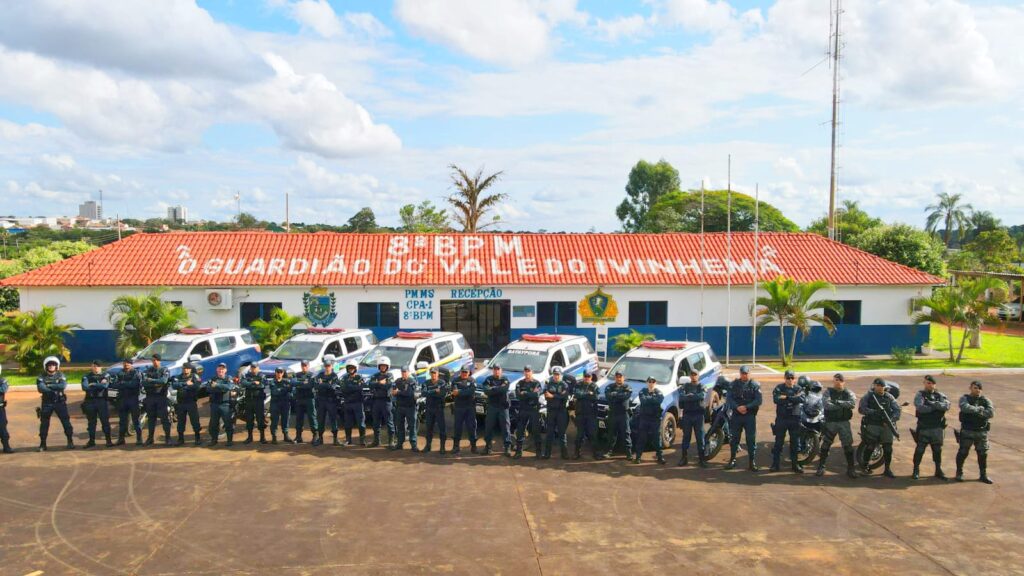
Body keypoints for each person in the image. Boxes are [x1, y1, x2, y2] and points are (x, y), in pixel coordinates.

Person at [858, 378, 901, 478]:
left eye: (882, 387)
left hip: (886, 426)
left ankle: (887, 469)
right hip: (873, 424)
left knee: (888, 448)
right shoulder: (868, 396)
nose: (880, 388)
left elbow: (897, 410)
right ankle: (865, 466)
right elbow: (862, 409)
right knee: (870, 446)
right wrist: (873, 412)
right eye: (878, 386)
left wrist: (891, 419)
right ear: (874, 386)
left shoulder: (889, 397)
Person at [817, 373, 858, 478]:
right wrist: (842, 405)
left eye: (839, 380)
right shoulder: (828, 392)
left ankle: (851, 469)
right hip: (831, 422)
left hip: (844, 423)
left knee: (848, 445)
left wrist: (837, 402)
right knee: (826, 444)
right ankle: (821, 467)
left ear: (843, 382)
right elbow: (826, 405)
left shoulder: (849, 392)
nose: (837, 382)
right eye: (835, 380)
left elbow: (852, 404)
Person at [956, 380, 994, 484]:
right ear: (970, 388)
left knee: (983, 454)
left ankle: (983, 474)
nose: (977, 390)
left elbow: (990, 413)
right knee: (963, 452)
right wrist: (979, 410)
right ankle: (959, 472)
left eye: (979, 388)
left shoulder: (986, 400)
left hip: (981, 431)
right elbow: (965, 407)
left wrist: (975, 411)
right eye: (975, 388)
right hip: (968, 430)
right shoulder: (965, 398)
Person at [912, 375, 950, 480]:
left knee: (937, 450)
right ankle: (916, 469)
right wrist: (936, 408)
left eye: (931, 383)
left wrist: (932, 404)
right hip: (924, 427)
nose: (929, 385)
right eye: (927, 383)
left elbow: (946, 406)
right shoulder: (920, 395)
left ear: (934, 384)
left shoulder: (940, 395)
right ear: (924, 383)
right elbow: (920, 408)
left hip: (937, 428)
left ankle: (938, 469)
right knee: (920, 450)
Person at [725, 365, 762, 471]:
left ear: (749, 373)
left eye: (746, 373)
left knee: (751, 439)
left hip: (749, 416)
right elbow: (729, 399)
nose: (744, 375)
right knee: (734, 438)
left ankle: (752, 462)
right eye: (742, 373)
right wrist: (737, 407)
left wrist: (746, 407)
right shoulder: (733, 384)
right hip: (737, 416)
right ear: (740, 373)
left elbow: (758, 400)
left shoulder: (754, 385)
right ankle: (732, 460)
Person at [770, 370, 806, 473]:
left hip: (795, 418)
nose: (790, 380)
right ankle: (775, 464)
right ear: (784, 378)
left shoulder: (799, 388)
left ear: (795, 379)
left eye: (792, 378)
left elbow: (801, 399)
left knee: (795, 443)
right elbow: (776, 399)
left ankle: (795, 465)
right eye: (788, 378)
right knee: (778, 443)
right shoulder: (779, 387)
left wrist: (786, 397)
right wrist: (793, 398)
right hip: (782, 418)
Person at [36, 356, 74, 451]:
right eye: (49, 364)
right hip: (47, 403)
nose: (51, 366)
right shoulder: (41, 376)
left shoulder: (61, 375)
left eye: (53, 364)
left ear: (57, 366)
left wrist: (49, 385)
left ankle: (70, 441)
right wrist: (55, 387)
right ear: (46, 366)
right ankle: (43, 444)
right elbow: (41, 388)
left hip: (60, 402)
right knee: (44, 424)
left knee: (66, 422)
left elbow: (62, 386)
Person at [676, 369, 707, 467]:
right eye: (692, 375)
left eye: (695, 375)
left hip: (698, 415)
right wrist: (693, 397)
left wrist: (689, 396)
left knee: (700, 438)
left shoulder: (701, 386)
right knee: (686, 437)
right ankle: (684, 458)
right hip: (687, 415)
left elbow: (701, 395)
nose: (693, 376)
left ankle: (702, 459)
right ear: (690, 376)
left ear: (698, 376)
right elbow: (681, 397)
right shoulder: (685, 386)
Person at [513, 366, 543, 460]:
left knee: (536, 431)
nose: (527, 373)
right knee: (520, 431)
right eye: (525, 371)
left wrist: (524, 393)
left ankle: (538, 452)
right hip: (523, 410)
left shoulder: (536, 383)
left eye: (529, 371)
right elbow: (518, 396)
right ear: (524, 373)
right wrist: (530, 393)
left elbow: (536, 395)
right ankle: (518, 452)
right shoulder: (520, 383)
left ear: (532, 372)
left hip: (533, 410)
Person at [140, 354, 172, 446]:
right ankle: (150, 438)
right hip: (150, 397)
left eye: (156, 360)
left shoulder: (164, 370)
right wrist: (155, 383)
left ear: (159, 361)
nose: (155, 362)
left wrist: (151, 380)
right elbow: (143, 382)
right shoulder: (148, 370)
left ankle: (168, 438)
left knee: (164, 419)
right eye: (153, 360)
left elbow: (163, 381)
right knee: (151, 419)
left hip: (161, 397)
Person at [81, 360, 113, 448]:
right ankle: (91, 441)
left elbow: (104, 386)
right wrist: (98, 384)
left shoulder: (105, 375)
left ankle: (108, 440)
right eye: (94, 366)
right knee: (91, 423)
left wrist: (92, 384)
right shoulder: (86, 376)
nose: (95, 368)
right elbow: (85, 387)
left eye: (97, 366)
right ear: (91, 367)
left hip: (102, 401)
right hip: (90, 401)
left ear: (101, 367)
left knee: (105, 422)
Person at [481, 365, 512, 457]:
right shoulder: (488, 379)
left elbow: (504, 389)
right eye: (495, 370)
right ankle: (488, 447)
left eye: (498, 370)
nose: (497, 371)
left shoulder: (505, 379)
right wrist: (497, 388)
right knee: (489, 427)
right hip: (492, 406)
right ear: (493, 371)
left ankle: (507, 447)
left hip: (503, 407)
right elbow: (486, 391)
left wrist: (493, 388)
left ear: (501, 370)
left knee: (505, 428)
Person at [634, 377, 666, 464]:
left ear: (655, 383)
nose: (651, 383)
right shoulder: (642, 391)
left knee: (656, 439)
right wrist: (652, 399)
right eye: (649, 381)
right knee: (641, 438)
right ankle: (638, 457)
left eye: (653, 382)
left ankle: (660, 457)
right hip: (644, 418)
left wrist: (649, 398)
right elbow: (643, 401)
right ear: (647, 382)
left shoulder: (659, 392)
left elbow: (659, 400)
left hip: (654, 419)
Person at [204, 362, 237, 446]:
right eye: (219, 369)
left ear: (225, 370)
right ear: (217, 370)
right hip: (214, 404)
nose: (221, 370)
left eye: (222, 369)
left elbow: (229, 387)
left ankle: (229, 441)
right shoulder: (213, 379)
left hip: (225, 405)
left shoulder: (228, 378)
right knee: (213, 424)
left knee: (228, 423)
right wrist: (221, 388)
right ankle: (214, 440)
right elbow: (208, 389)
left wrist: (217, 386)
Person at [170, 362, 203, 446]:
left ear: (190, 369)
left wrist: (183, 386)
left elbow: (197, 386)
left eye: (187, 368)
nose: (185, 370)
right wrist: (185, 384)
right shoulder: (178, 377)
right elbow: (174, 385)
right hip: (181, 403)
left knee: (195, 421)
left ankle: (197, 438)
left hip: (191, 402)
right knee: (180, 421)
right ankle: (180, 439)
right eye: (184, 368)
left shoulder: (194, 376)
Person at [602, 372, 633, 459]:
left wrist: (615, 395)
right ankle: (609, 452)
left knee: (626, 434)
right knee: (611, 434)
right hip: (613, 413)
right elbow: (608, 396)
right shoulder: (610, 387)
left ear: (624, 377)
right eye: (617, 377)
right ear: (615, 378)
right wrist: (619, 395)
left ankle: (629, 454)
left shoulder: (627, 387)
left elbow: (625, 396)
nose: (619, 378)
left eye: (620, 377)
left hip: (623, 414)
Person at [112, 359, 143, 446]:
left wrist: (122, 383)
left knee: (135, 420)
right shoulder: (119, 373)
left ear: (131, 364)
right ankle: (121, 439)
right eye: (125, 363)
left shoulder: (136, 373)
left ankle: (139, 439)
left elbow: (135, 384)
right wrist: (127, 384)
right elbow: (113, 384)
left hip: (133, 399)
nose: (126, 365)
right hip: (122, 399)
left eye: (128, 363)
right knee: (122, 421)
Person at [572, 371, 602, 460]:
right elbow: (577, 394)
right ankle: (577, 453)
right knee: (579, 435)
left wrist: (584, 395)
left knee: (592, 435)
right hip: (580, 414)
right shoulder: (578, 385)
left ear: (591, 377)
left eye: (588, 377)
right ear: (583, 376)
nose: (587, 378)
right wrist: (588, 394)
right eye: (585, 376)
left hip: (591, 415)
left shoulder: (594, 386)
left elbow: (596, 397)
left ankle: (596, 454)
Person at [449, 363, 478, 455]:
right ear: (460, 372)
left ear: (469, 372)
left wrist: (460, 392)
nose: (464, 374)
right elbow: (454, 392)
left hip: (470, 408)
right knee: (457, 427)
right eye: (463, 372)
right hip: (459, 407)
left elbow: (471, 391)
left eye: (466, 372)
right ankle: (456, 446)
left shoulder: (472, 380)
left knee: (471, 427)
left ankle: (473, 446)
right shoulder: (455, 381)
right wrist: (465, 391)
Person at [543, 366, 571, 460]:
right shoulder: (549, 384)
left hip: (561, 412)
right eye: (555, 374)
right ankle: (547, 454)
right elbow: (546, 395)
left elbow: (564, 396)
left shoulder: (565, 385)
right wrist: (557, 396)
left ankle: (564, 454)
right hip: (551, 411)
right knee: (549, 433)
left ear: (561, 375)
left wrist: (553, 396)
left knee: (562, 433)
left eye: (558, 375)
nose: (556, 376)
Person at [369, 357, 396, 448]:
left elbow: (388, 386)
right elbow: (370, 385)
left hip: (386, 402)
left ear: (387, 366)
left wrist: (377, 384)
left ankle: (391, 442)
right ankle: (376, 441)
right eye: (381, 366)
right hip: (376, 401)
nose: (383, 367)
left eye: (384, 366)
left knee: (389, 421)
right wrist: (380, 383)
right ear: (379, 366)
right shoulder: (375, 375)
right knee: (376, 422)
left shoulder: (390, 375)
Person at [422, 365, 449, 454]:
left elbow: (442, 394)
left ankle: (442, 447)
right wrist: (434, 391)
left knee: (442, 428)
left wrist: (430, 392)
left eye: (435, 373)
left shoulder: (442, 382)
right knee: (429, 428)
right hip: (429, 408)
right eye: (432, 373)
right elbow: (424, 393)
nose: (433, 375)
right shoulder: (426, 383)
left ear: (438, 374)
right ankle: (428, 446)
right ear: (430, 374)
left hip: (439, 408)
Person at [316, 357, 343, 446]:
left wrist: (323, 384)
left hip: (331, 401)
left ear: (331, 366)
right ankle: (320, 439)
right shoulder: (319, 375)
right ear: (324, 366)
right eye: (326, 366)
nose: (327, 367)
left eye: (329, 366)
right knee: (320, 420)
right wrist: (328, 384)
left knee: (333, 419)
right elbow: (316, 386)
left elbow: (333, 387)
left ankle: (335, 439)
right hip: (321, 400)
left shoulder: (334, 375)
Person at [239, 363, 268, 445]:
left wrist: (251, 384)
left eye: (255, 368)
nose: (253, 369)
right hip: (249, 400)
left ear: (258, 368)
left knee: (260, 419)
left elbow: (263, 385)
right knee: (249, 419)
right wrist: (254, 383)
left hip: (258, 401)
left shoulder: (262, 376)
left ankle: (262, 437)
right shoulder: (246, 375)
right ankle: (249, 437)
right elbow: (243, 383)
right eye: (252, 368)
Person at [339, 360, 366, 447]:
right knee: (347, 423)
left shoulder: (360, 378)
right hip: (348, 403)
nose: (351, 369)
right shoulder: (344, 378)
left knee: (361, 423)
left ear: (356, 368)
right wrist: (354, 388)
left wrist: (350, 387)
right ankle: (348, 440)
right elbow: (343, 389)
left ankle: (362, 440)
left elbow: (361, 387)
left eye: (353, 368)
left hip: (358, 403)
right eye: (349, 368)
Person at [392, 366, 419, 451]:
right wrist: (395, 392)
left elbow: (409, 393)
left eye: (405, 372)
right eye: (403, 372)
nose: (404, 373)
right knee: (399, 426)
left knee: (412, 426)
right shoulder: (398, 381)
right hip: (400, 406)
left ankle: (413, 445)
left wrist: (398, 392)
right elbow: (393, 390)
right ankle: (400, 443)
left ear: (408, 372)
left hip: (410, 407)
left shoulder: (411, 381)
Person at [291, 360, 317, 444]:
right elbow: (293, 383)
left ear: (308, 366)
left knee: (312, 417)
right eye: (302, 365)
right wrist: (303, 383)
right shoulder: (296, 374)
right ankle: (298, 437)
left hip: (309, 399)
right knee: (299, 418)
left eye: (305, 365)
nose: (304, 367)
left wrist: (299, 384)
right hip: (299, 399)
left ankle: (315, 436)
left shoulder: (312, 375)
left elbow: (309, 385)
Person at [267, 367, 294, 444]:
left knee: (285, 420)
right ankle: (274, 437)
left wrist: (285, 388)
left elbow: (292, 389)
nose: (279, 374)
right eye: (278, 372)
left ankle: (286, 436)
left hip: (285, 403)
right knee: (274, 421)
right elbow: (275, 392)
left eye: (281, 372)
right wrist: (285, 389)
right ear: (275, 373)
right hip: (275, 404)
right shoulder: (273, 382)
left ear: (283, 373)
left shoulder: (287, 381)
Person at [0, 365, 11, 453]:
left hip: (0, 409)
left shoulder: (3, 380)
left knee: (2, 427)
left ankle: (6, 446)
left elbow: (3, 389)